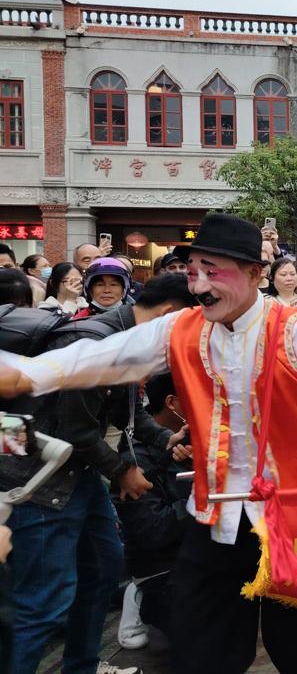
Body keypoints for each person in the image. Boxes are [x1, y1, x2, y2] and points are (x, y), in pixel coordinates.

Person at [0, 213, 297, 674]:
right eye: (194, 272)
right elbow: (105, 355)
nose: (200, 286)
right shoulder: (181, 328)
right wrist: (31, 374)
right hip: (215, 516)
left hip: (294, 523)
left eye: (213, 271)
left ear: (254, 273)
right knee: (200, 647)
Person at [1, 274, 196, 674]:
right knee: (44, 601)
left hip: (77, 476)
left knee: (103, 571)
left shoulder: (126, 339)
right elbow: (76, 430)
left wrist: (165, 439)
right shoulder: (91, 340)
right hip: (40, 481)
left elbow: (129, 409)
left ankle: (82, 666)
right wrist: (123, 471)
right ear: (170, 315)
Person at [113, 373, 192, 651]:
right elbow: (152, 530)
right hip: (165, 568)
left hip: (201, 553)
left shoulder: (194, 438)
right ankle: (140, 597)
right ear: (172, 402)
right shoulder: (133, 461)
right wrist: (200, 499)